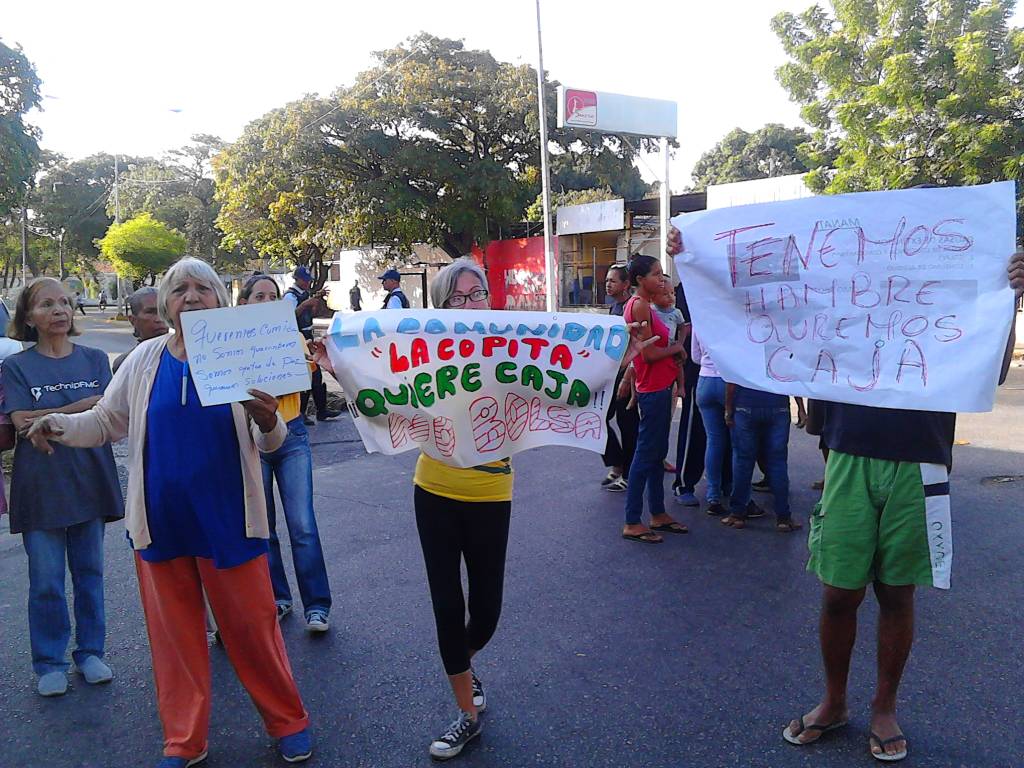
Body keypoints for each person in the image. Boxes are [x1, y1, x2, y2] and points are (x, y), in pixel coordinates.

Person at [26, 258, 313, 767]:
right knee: (175, 642)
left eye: (203, 287)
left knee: (254, 633)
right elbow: (105, 421)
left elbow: (273, 441)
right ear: (164, 305)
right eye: (179, 289)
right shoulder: (144, 360)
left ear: (220, 300)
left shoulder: (240, 356)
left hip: (231, 522)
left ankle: (288, 722)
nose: (192, 296)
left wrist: (268, 420)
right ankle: (184, 741)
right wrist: (58, 426)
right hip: (160, 525)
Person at [2, 278, 124, 697]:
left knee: (90, 574)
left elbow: (107, 411)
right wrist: (80, 406)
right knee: (47, 580)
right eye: (46, 304)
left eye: (64, 303)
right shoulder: (16, 367)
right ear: (29, 318)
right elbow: (20, 422)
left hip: (90, 479)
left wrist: (49, 415)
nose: (59, 310)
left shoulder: (93, 359)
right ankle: (49, 660)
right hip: (40, 486)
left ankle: (90, 652)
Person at [238, 274, 332, 632]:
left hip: (290, 435)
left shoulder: (291, 337)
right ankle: (277, 598)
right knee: (264, 528)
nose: (266, 301)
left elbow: (307, 374)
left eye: (273, 296)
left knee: (303, 525)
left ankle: (317, 606)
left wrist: (319, 357)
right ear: (243, 303)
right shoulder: (228, 343)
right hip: (249, 441)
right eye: (259, 295)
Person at [621, 255, 689, 544]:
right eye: (656, 274)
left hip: (658, 387)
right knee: (645, 455)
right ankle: (632, 520)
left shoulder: (645, 305)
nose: (662, 279)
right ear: (640, 280)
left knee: (656, 453)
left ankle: (657, 513)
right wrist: (676, 349)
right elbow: (647, 354)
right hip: (652, 389)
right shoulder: (638, 305)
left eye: (662, 274)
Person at [722, 383, 801, 532]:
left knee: (743, 461)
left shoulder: (742, 357)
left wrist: (728, 407)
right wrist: (801, 408)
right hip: (778, 405)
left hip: (745, 403)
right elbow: (792, 377)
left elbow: (731, 380)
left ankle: (738, 514)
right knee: (778, 462)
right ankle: (783, 517)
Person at [284, 267, 338, 426]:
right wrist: (306, 304)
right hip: (297, 338)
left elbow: (312, 314)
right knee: (305, 376)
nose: (308, 282)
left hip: (308, 336)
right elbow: (288, 316)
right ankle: (301, 413)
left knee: (316, 375)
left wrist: (316, 300)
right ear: (298, 279)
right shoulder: (290, 296)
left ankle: (322, 410)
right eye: (306, 280)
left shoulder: (304, 294)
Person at [600, 265, 637, 492]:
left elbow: (637, 346)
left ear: (626, 285)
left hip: (628, 377)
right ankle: (618, 463)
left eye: (613, 280)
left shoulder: (633, 308)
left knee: (628, 424)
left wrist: (627, 376)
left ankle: (630, 474)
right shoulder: (614, 307)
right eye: (607, 280)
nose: (608, 284)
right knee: (599, 418)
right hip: (612, 374)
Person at [112, 287, 169, 374]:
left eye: (163, 311)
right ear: (133, 320)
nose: (160, 319)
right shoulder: (125, 364)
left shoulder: (187, 357)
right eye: (151, 312)